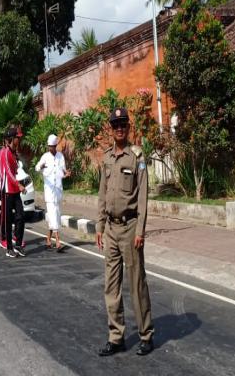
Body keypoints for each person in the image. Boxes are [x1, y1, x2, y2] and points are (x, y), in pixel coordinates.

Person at [96, 107, 154, 357]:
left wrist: (140, 229)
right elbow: (102, 193)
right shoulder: (107, 158)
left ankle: (146, 335)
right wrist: (99, 225)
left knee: (137, 283)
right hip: (110, 228)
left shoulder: (136, 157)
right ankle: (116, 336)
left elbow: (142, 197)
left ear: (128, 128)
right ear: (111, 129)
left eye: (123, 125)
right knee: (111, 286)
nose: (119, 128)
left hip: (131, 229)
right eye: (115, 125)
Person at [35, 134, 70, 250]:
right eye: (49, 146)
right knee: (53, 214)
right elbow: (36, 168)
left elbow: (63, 172)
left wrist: (67, 174)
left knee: (55, 215)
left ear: (56, 146)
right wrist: (41, 166)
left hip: (58, 191)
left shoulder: (60, 156)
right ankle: (58, 241)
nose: (51, 148)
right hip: (49, 193)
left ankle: (48, 240)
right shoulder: (45, 157)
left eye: (53, 146)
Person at [0, 127, 26, 257]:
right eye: (17, 138)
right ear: (12, 139)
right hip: (8, 190)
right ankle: (9, 247)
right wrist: (18, 184)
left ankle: (18, 244)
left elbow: (15, 170)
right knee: (8, 220)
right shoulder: (4, 152)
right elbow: (8, 172)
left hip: (15, 190)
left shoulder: (14, 152)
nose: (19, 140)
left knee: (21, 216)